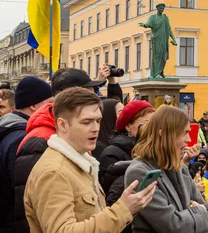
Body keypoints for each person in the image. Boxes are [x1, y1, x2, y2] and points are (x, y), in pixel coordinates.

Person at [24, 87, 157, 232]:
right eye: (86, 122)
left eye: (98, 121)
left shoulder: (78, 162)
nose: (95, 128)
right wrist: (122, 209)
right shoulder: (54, 172)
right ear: (62, 124)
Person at [124, 105, 208, 232]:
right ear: (163, 134)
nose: (188, 140)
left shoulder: (179, 168)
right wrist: (200, 211)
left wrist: (195, 215)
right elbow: (173, 226)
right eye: (184, 133)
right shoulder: (140, 172)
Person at [0, 76, 53, 232]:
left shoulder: (8, 129)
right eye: (49, 102)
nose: (53, 106)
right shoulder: (24, 137)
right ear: (34, 106)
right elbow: (25, 194)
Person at [99, 100, 155, 205]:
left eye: (154, 124)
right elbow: (111, 196)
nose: (151, 129)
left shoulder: (153, 150)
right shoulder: (112, 153)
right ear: (128, 126)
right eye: (146, 123)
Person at [138, 3, 178, 78]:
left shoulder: (165, 18)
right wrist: (144, 25)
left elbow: (169, 30)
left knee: (164, 57)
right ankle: (155, 73)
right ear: (157, 9)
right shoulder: (153, 17)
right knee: (156, 56)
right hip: (156, 40)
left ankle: (161, 71)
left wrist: (174, 39)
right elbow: (148, 23)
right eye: (161, 8)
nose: (162, 10)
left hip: (164, 40)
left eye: (163, 8)